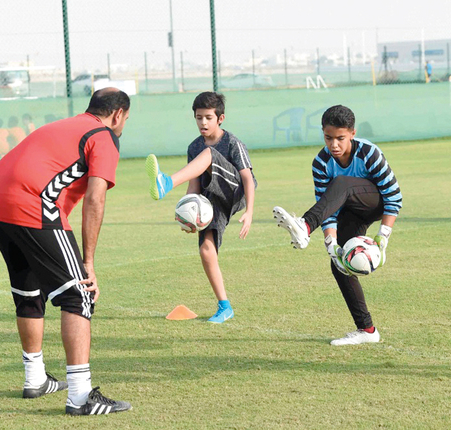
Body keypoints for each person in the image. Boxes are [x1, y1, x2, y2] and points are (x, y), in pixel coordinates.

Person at [0, 88, 132, 415]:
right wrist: (88, 263)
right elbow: (95, 198)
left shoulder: (67, 125)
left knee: (29, 291)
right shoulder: (103, 136)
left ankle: (35, 378)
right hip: (31, 202)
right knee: (79, 294)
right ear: (119, 114)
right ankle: (80, 396)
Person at [272, 105, 402, 346]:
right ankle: (367, 329)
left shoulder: (369, 153)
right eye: (328, 138)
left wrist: (383, 239)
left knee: (342, 183)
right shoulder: (320, 163)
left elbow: (393, 197)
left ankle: (305, 225)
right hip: (349, 210)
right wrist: (332, 244)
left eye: (340, 138)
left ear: (352, 133)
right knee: (340, 265)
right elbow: (328, 209)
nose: (334, 145)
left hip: (375, 203)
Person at [146, 91, 256, 323]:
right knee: (206, 249)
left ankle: (166, 183)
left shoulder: (232, 143)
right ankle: (224, 306)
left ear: (220, 118)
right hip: (211, 198)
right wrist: (187, 214)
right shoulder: (194, 146)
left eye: (208, 117)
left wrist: (249, 213)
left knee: (209, 154)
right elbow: (194, 182)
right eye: (198, 117)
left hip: (236, 191)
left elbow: (247, 178)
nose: (203, 123)